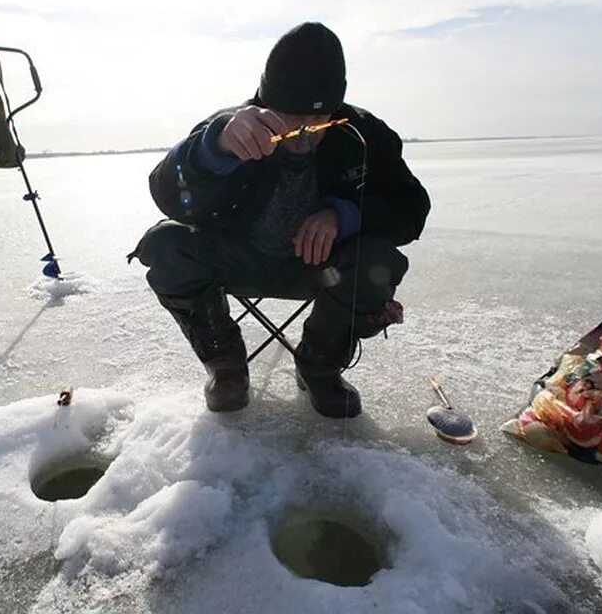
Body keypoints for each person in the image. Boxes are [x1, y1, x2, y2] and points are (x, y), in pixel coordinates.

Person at [130, 22, 430, 418]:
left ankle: (319, 365)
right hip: (239, 260)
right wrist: (211, 150)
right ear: (266, 104)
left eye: (316, 125)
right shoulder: (230, 129)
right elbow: (165, 193)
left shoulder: (362, 133)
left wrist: (346, 215)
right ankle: (227, 368)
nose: (301, 138)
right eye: (289, 121)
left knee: (378, 260)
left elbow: (413, 208)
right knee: (165, 244)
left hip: (321, 270)